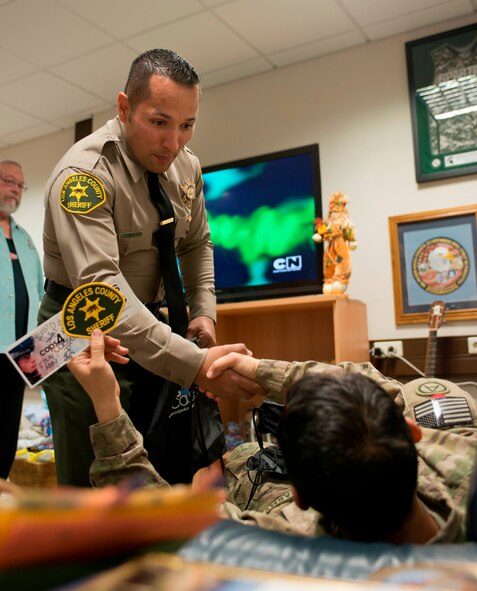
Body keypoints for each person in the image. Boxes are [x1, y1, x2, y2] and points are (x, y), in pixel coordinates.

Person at [39, 48, 263, 487]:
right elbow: (102, 290)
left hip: (147, 319)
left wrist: (203, 312)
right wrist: (195, 365)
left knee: (155, 461)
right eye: (159, 122)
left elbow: (197, 242)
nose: (173, 142)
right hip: (76, 326)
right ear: (124, 108)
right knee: (96, 479)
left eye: (187, 125)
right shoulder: (83, 176)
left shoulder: (186, 165)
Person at [68, 330, 477, 544]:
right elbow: (377, 385)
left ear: (298, 494)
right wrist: (262, 370)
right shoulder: (463, 456)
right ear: (411, 433)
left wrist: (106, 402)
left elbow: (148, 518)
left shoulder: (285, 547)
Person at [0, 160, 44, 479]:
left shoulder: (26, 239)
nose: (15, 188)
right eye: (8, 180)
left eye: (20, 184)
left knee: (6, 437)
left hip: (21, 356)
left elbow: (39, 295)